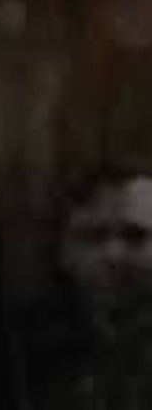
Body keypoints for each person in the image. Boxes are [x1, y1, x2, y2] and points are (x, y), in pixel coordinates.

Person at [19, 165, 152, 409]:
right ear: (63, 252)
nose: (113, 254)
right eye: (92, 236)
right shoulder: (24, 350)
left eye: (135, 236)